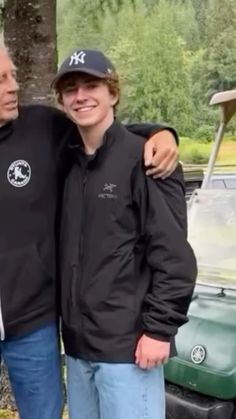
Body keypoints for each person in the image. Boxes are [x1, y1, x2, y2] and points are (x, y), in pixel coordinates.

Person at [0, 43, 179, 419]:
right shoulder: (73, 163)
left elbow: (174, 255)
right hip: (80, 347)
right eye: (2, 80)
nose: (13, 86)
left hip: (88, 338)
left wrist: (162, 133)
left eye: (12, 75)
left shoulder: (45, 130)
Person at [54, 49, 197, 419]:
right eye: (71, 89)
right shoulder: (65, 165)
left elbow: (175, 258)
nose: (81, 95)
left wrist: (159, 330)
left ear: (113, 93)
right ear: (62, 101)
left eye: (91, 85)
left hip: (130, 350)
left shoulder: (147, 159)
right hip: (78, 349)